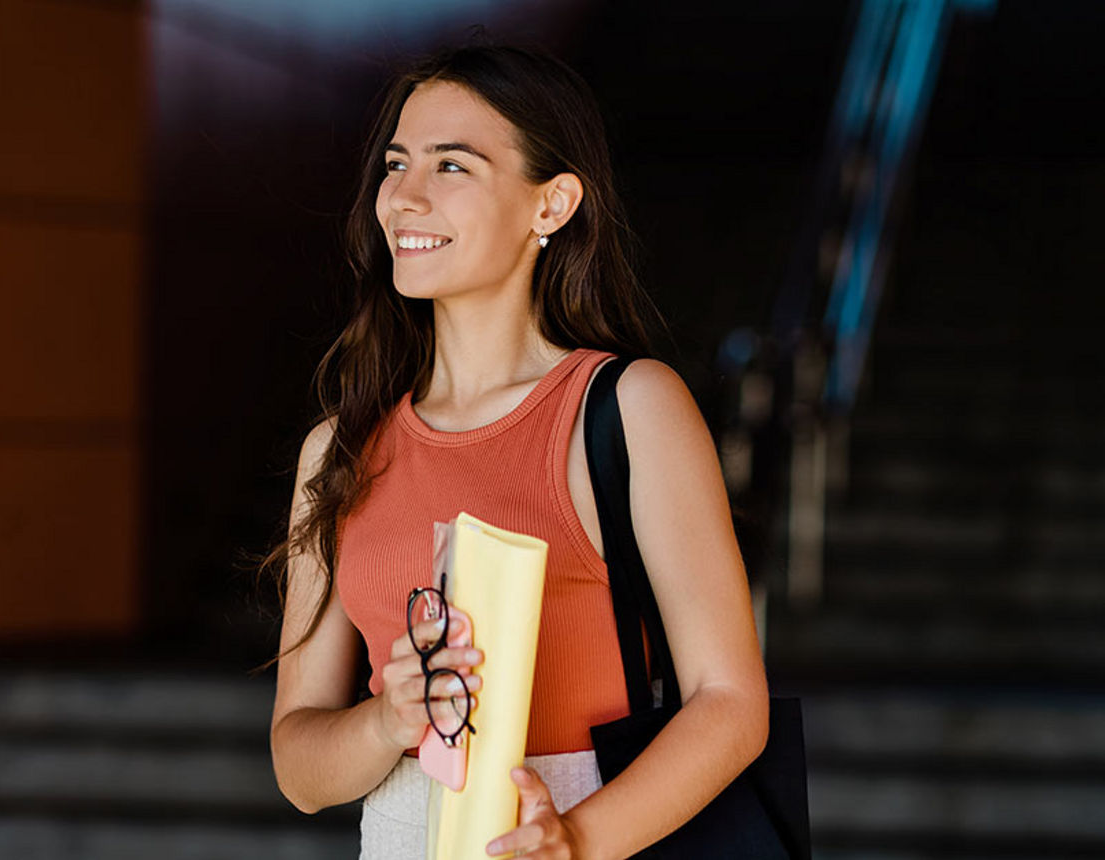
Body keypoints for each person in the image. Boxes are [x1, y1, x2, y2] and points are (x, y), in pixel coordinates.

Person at [267, 43, 769, 859]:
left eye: (451, 166)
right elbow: (299, 768)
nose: (404, 197)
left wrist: (573, 841)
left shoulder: (628, 408)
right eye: (396, 164)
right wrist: (388, 719)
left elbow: (732, 703)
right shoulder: (339, 449)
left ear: (553, 204)